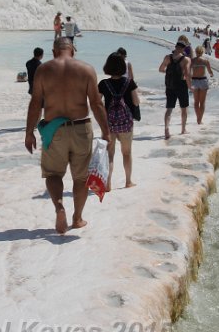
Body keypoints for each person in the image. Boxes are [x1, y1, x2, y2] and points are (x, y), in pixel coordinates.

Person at [25, 37, 110, 234]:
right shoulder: (86, 69)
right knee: (80, 179)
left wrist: (29, 133)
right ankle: (77, 218)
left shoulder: (43, 70)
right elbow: (96, 104)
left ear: (54, 52)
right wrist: (106, 131)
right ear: (73, 51)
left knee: (53, 174)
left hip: (55, 130)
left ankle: (59, 208)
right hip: (81, 128)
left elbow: (36, 103)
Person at [98, 53, 139, 191]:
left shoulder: (103, 84)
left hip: (109, 123)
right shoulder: (129, 83)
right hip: (126, 124)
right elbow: (136, 101)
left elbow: (97, 103)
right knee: (126, 153)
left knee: (110, 154)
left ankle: (108, 184)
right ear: (123, 66)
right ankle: (128, 181)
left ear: (107, 66)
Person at [159, 42, 192, 139]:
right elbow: (187, 75)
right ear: (183, 49)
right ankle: (183, 129)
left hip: (170, 86)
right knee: (184, 108)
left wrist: (170, 72)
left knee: (169, 109)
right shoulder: (186, 60)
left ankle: (166, 129)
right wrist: (190, 87)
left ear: (175, 47)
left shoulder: (167, 57)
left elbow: (161, 69)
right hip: (181, 86)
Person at [190, 46, 214, 125]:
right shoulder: (205, 61)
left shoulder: (192, 61)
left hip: (194, 81)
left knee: (196, 102)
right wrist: (211, 74)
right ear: (203, 52)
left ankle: (198, 118)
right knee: (202, 102)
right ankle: (200, 120)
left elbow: (188, 72)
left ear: (196, 52)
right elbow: (210, 72)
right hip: (203, 80)